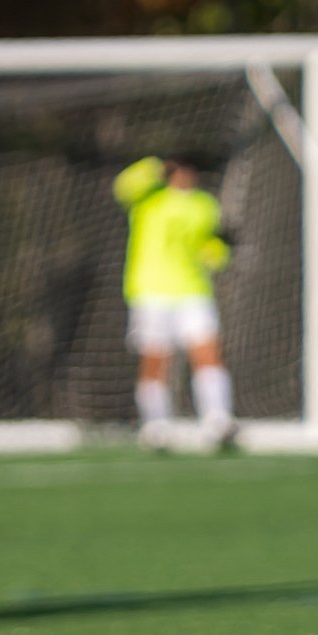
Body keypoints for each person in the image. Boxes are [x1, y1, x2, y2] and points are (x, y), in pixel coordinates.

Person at [113, 155, 233, 451]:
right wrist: (157, 166)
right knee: (156, 358)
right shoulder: (148, 199)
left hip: (193, 291)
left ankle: (218, 422)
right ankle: (156, 426)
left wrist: (218, 253)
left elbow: (206, 244)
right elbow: (122, 186)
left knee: (208, 354)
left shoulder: (204, 204)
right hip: (151, 290)